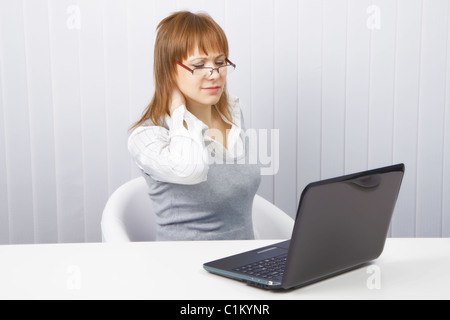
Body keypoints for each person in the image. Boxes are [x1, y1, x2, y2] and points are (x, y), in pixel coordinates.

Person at [128, 11, 261, 241]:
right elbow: (192, 170)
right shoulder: (147, 136)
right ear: (170, 70)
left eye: (220, 62)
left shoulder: (233, 114)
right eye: (199, 65)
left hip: (243, 266)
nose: (215, 74)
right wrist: (178, 108)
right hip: (184, 269)